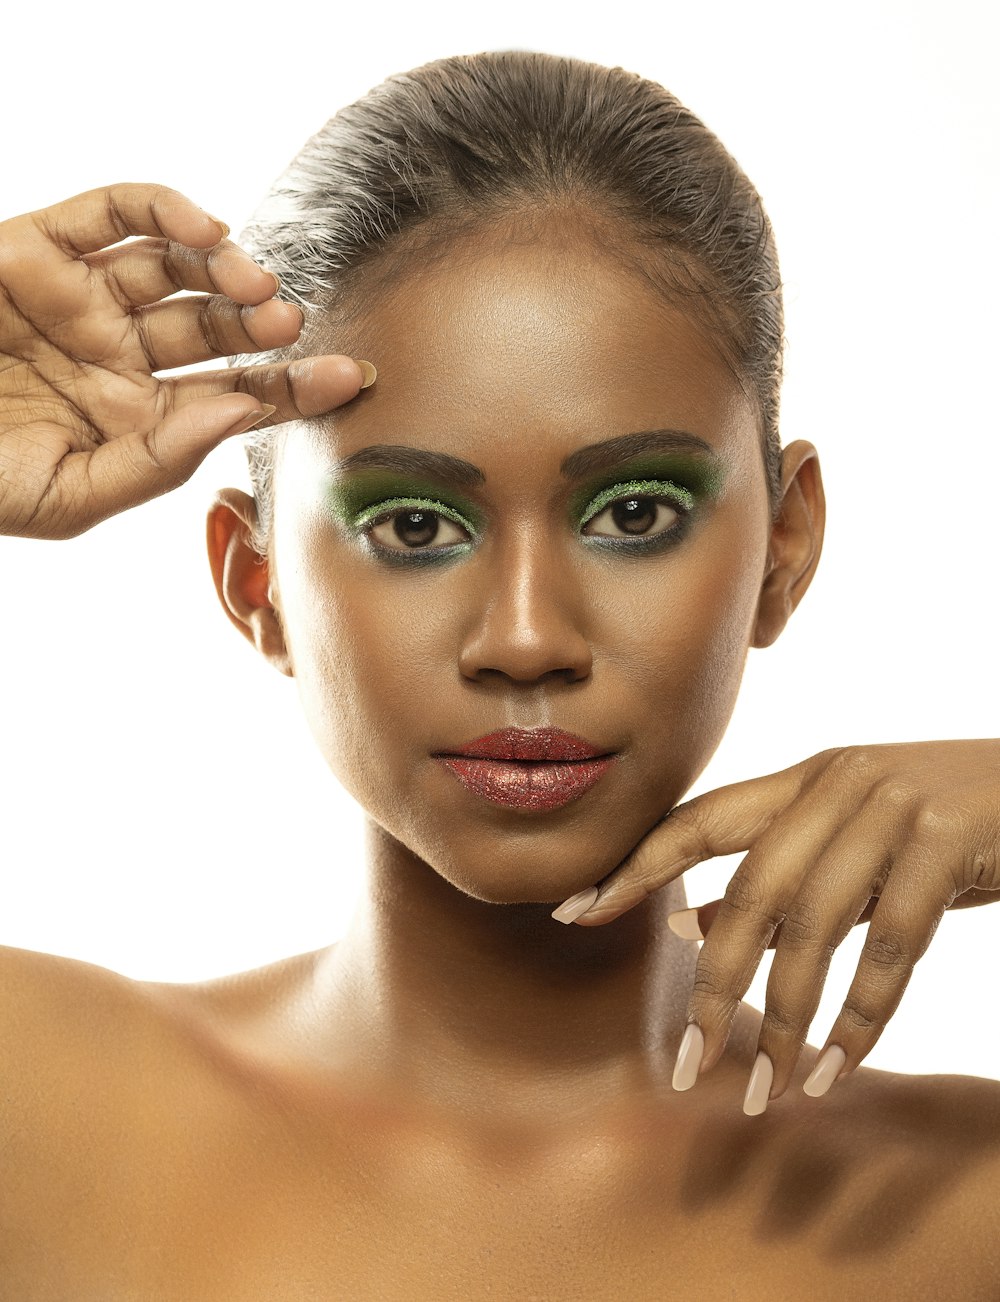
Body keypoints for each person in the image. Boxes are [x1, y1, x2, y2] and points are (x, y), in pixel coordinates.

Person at [1, 48, 998, 1300]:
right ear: (255, 587)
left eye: (634, 513)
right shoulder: (35, 1114)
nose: (526, 639)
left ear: (782, 548)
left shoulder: (965, 1206)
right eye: (414, 526)